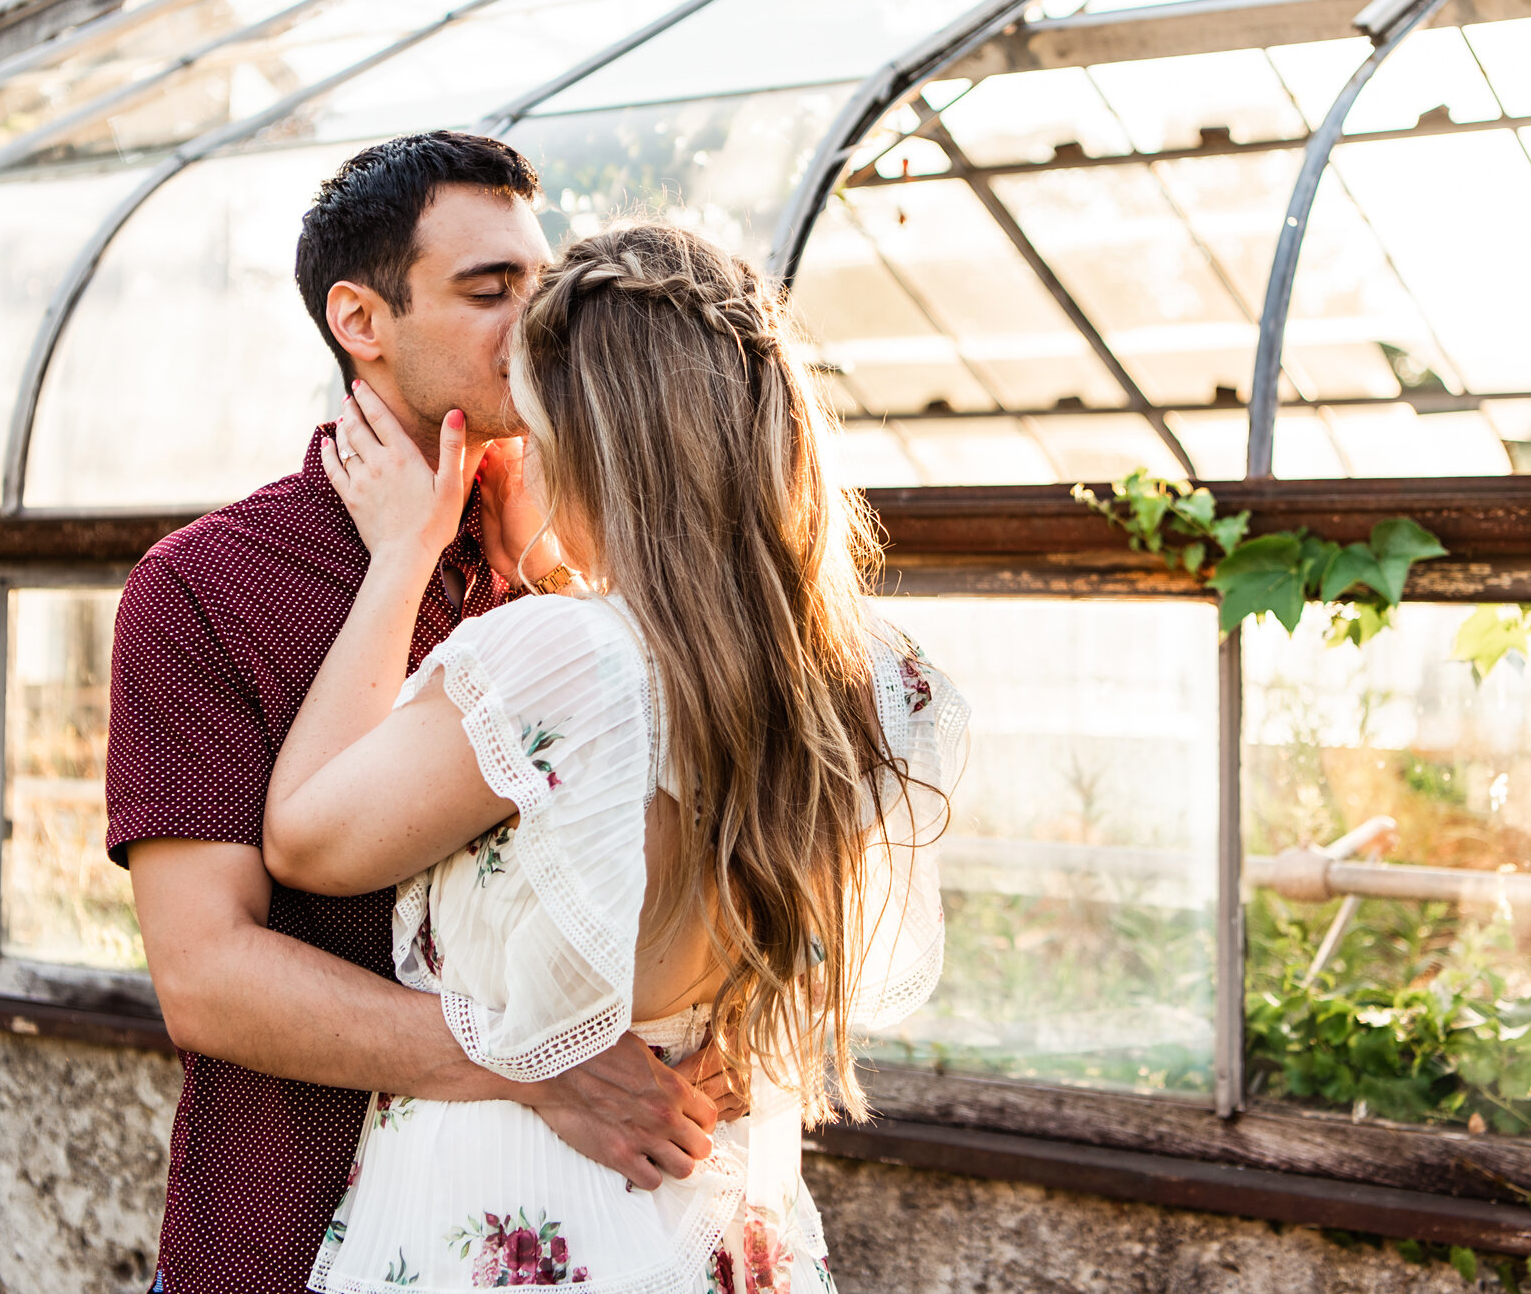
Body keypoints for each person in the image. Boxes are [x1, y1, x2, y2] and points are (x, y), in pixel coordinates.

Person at [258, 222, 967, 1294]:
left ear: (602, 449)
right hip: (718, 1201)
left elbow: (306, 837)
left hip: (524, 1203)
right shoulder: (877, 676)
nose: (525, 463)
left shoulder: (563, 658)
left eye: (538, 435)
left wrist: (402, 555)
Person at [108, 133, 729, 1294]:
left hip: (589, 1234)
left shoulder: (582, 572)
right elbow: (206, 973)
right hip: (283, 1241)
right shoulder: (205, 586)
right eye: (488, 291)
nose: (535, 325)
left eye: (541, 290)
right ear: (361, 320)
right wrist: (532, 1060)